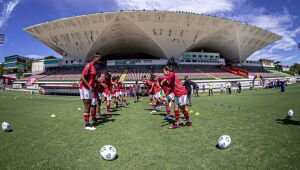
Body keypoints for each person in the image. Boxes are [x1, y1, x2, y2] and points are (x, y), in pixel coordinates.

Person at [79, 53, 101, 131]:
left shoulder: (93, 67)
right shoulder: (88, 65)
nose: (99, 61)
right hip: (85, 88)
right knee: (88, 105)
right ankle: (87, 124)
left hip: (87, 88)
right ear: (94, 58)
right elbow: (82, 77)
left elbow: (92, 78)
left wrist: (98, 81)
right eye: (98, 59)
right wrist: (89, 86)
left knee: (88, 105)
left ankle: (88, 122)